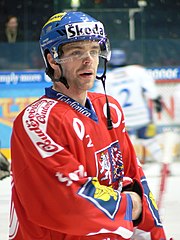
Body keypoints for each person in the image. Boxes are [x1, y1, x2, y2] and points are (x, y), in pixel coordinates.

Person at [9, 11, 167, 239]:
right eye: (76, 52)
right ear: (52, 59)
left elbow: (134, 179)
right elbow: (69, 204)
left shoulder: (109, 109)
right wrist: (131, 206)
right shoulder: (37, 120)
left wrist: (153, 233)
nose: (89, 59)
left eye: (94, 50)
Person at [95, 49, 163, 164]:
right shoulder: (137, 71)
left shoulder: (106, 77)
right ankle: (165, 164)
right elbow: (151, 91)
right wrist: (157, 101)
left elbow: (100, 99)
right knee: (149, 141)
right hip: (141, 115)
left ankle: (134, 169)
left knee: (126, 145)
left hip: (122, 118)